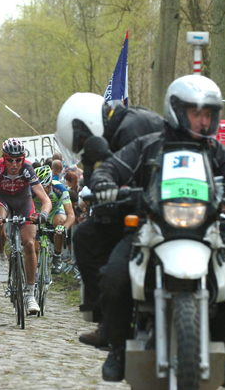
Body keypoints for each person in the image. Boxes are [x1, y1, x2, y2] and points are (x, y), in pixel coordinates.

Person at [91, 75, 225, 387]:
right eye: (196, 113)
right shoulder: (149, 145)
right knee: (114, 276)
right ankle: (116, 348)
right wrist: (104, 181)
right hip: (152, 227)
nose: (203, 120)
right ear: (175, 111)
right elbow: (112, 166)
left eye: (208, 114)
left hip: (204, 228)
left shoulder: (214, 150)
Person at [55, 92, 164, 348]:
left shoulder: (134, 127)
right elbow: (94, 176)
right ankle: (104, 319)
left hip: (155, 211)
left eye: (83, 139)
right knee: (84, 234)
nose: (85, 145)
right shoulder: (110, 134)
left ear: (89, 124)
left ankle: (111, 323)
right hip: (131, 209)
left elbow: (141, 172)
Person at [0, 138, 51, 314]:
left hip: (23, 201)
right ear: (4, 158)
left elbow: (45, 199)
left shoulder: (27, 168)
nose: (14, 163)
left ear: (23, 158)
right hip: (1, 199)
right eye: (10, 159)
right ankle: (3, 257)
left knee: (29, 243)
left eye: (18, 159)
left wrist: (43, 215)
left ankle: (31, 295)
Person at [32, 165, 75, 273]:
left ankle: (57, 256)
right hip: (38, 214)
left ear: (50, 185)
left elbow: (71, 214)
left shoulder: (60, 188)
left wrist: (65, 227)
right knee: (35, 246)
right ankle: (35, 274)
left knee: (60, 222)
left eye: (42, 188)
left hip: (55, 212)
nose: (39, 191)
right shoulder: (32, 189)